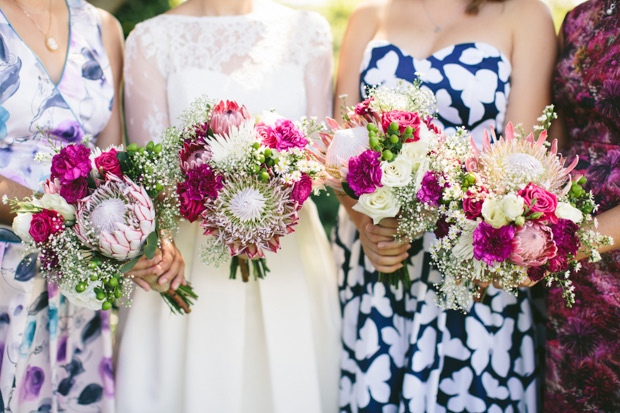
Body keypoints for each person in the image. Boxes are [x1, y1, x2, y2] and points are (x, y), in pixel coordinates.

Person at [115, 0, 341, 412]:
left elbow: (321, 160)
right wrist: (221, 188)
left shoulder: (309, 31)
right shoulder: (150, 39)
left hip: (289, 255)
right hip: (191, 257)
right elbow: (151, 174)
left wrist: (269, 177)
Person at [333, 0, 556, 411]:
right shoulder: (369, 16)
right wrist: (365, 222)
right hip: (378, 261)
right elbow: (340, 149)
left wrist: (466, 222)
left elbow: (523, 158)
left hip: (474, 259)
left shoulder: (525, 14)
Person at [0, 0, 123, 410]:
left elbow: (114, 161)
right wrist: (64, 220)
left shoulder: (102, 26)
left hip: (78, 278)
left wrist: (133, 237)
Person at [545, 0, 620, 410]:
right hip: (572, 279)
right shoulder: (579, 19)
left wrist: (563, 246)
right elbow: (559, 125)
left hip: (580, 248)